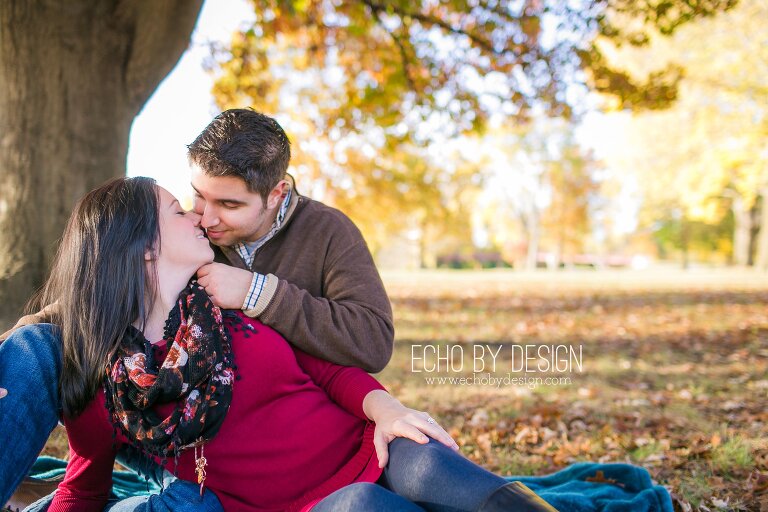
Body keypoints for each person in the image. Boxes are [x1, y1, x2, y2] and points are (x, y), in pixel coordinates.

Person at [28, 177, 557, 511]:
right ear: (144, 248)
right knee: (362, 505)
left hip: (362, 444)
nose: (197, 216)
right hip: (303, 505)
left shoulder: (224, 301)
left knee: (428, 459)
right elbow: (83, 488)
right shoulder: (111, 389)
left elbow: (329, 371)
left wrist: (389, 412)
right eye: (177, 210)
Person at [0, 109, 393, 506]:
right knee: (40, 346)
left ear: (276, 194)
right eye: (198, 196)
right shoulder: (188, 240)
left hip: (245, 431)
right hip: (156, 419)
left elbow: (371, 342)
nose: (204, 217)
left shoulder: (327, 232)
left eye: (228, 204)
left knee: (192, 500)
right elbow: (94, 294)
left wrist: (258, 292)